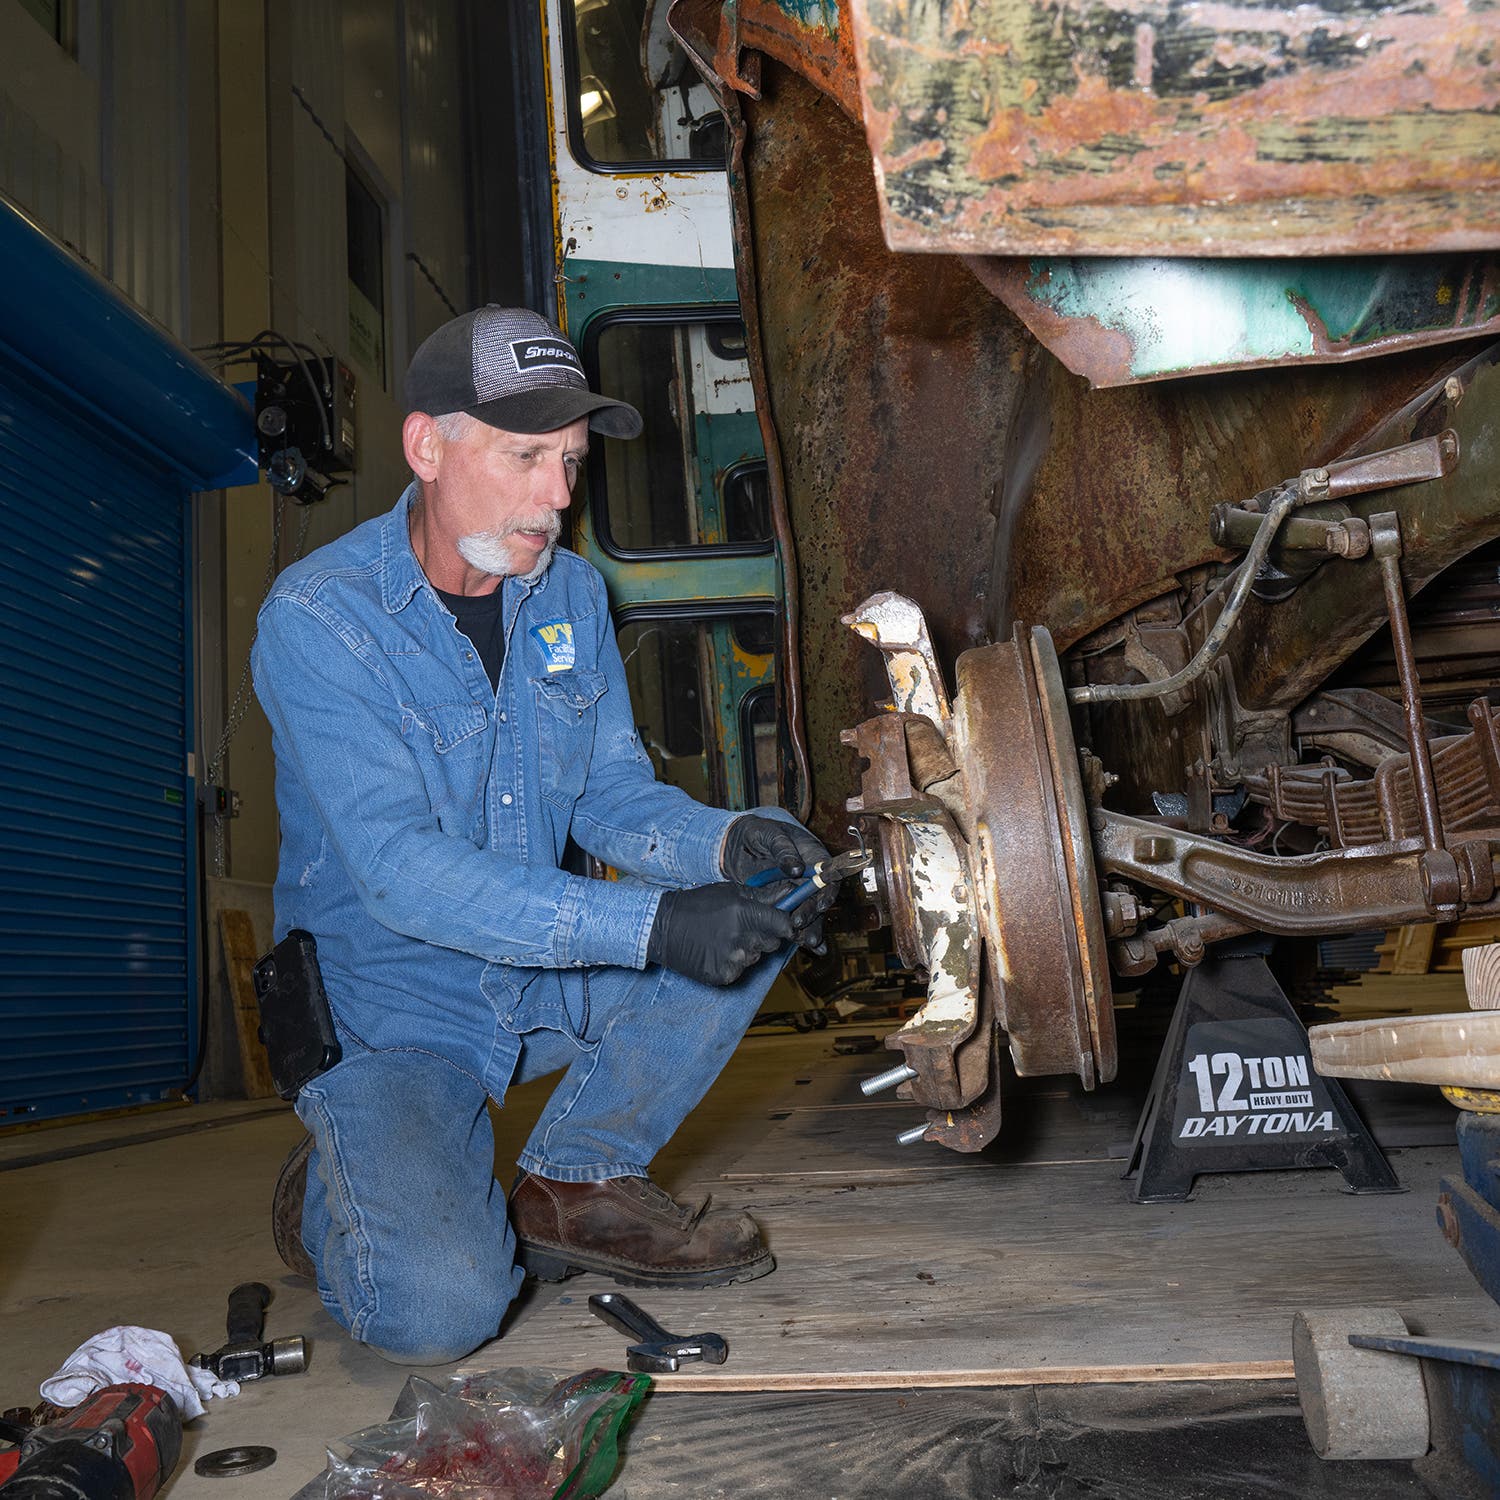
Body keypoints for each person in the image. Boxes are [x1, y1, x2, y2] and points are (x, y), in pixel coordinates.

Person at [251, 305, 839, 1365]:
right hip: (398, 1010)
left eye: (569, 461)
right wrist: (659, 923)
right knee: (440, 1313)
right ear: (427, 446)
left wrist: (728, 844)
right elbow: (399, 873)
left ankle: (574, 1177)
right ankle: (340, 1188)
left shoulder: (568, 590)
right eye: (527, 456)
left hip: (543, 985)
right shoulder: (321, 617)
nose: (559, 497)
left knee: (768, 902)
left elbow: (609, 795)